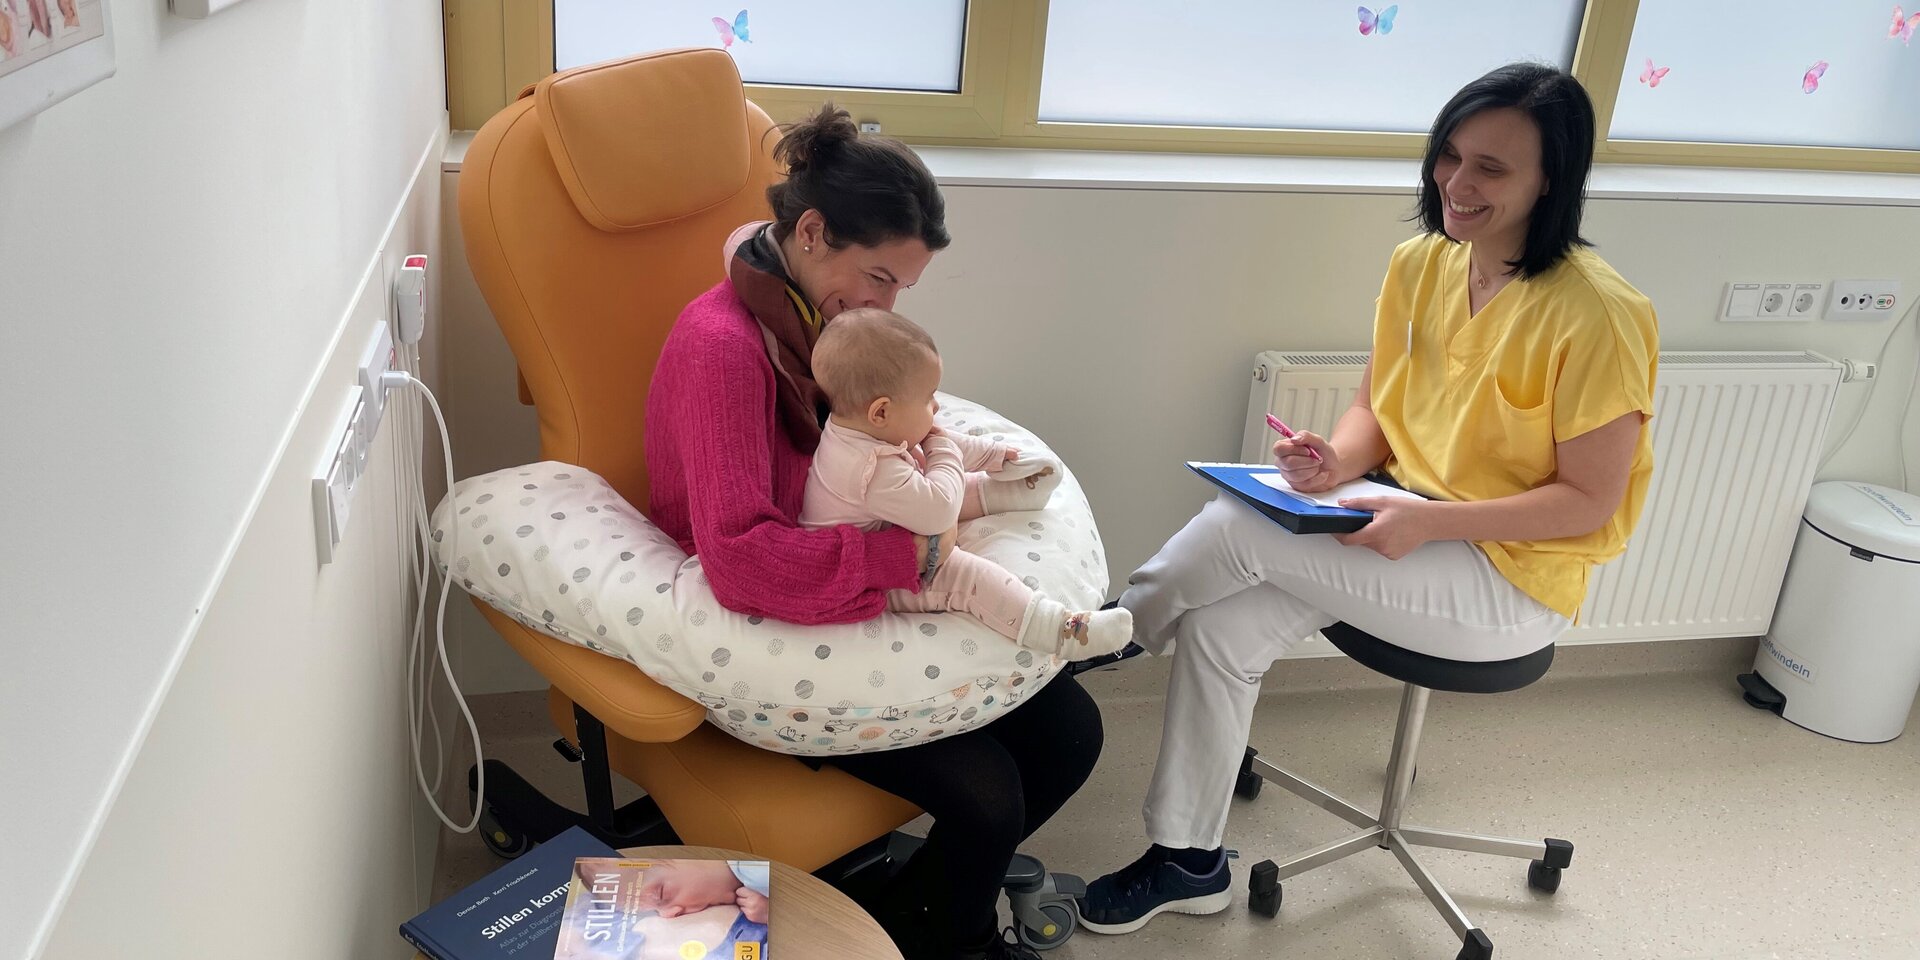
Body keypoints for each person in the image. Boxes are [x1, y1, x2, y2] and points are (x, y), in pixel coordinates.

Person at [1075, 62, 1659, 934]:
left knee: (1238, 523)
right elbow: (1374, 414)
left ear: (1553, 179)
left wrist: (1431, 521)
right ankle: (1189, 862)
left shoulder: (1600, 315)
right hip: (1407, 522)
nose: (1457, 185)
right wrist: (1330, 462)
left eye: (1492, 169)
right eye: (1449, 156)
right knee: (1223, 628)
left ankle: (1097, 640)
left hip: (1508, 584)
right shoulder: (1423, 264)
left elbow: (1588, 502)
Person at [645, 104, 1103, 960]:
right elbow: (741, 558)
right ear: (812, 232)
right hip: (766, 612)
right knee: (987, 793)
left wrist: (963, 470)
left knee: (1073, 733)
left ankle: (899, 922)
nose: (886, 304)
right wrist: (921, 555)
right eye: (882, 279)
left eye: (902, 290)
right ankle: (953, 939)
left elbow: (872, 433)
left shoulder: (818, 321)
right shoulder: (724, 347)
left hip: (844, 557)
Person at [801, 307, 1134, 658]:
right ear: (881, 411)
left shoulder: (865, 430)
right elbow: (939, 510)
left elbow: (936, 444)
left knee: (935, 472)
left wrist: (997, 456)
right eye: (929, 398)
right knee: (964, 575)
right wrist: (941, 446)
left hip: (885, 525)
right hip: (869, 583)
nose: (935, 407)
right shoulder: (869, 469)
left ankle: (1011, 491)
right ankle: (1058, 629)